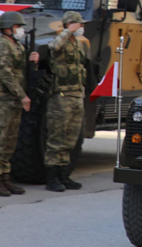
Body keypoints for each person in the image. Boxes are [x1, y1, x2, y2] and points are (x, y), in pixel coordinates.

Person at [0, 11, 39, 196]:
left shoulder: (17, 46)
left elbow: (21, 71)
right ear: (8, 28)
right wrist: (22, 95)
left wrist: (33, 61)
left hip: (11, 102)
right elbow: (5, 74)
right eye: (18, 27)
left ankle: (5, 178)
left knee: (9, 143)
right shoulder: (1, 46)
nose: (21, 30)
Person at [44, 11, 88, 192]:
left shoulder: (77, 44)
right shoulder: (60, 40)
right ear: (70, 24)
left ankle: (64, 175)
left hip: (76, 96)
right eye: (79, 24)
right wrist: (67, 31)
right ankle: (51, 177)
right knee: (57, 138)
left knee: (70, 138)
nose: (81, 27)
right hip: (61, 97)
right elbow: (53, 47)